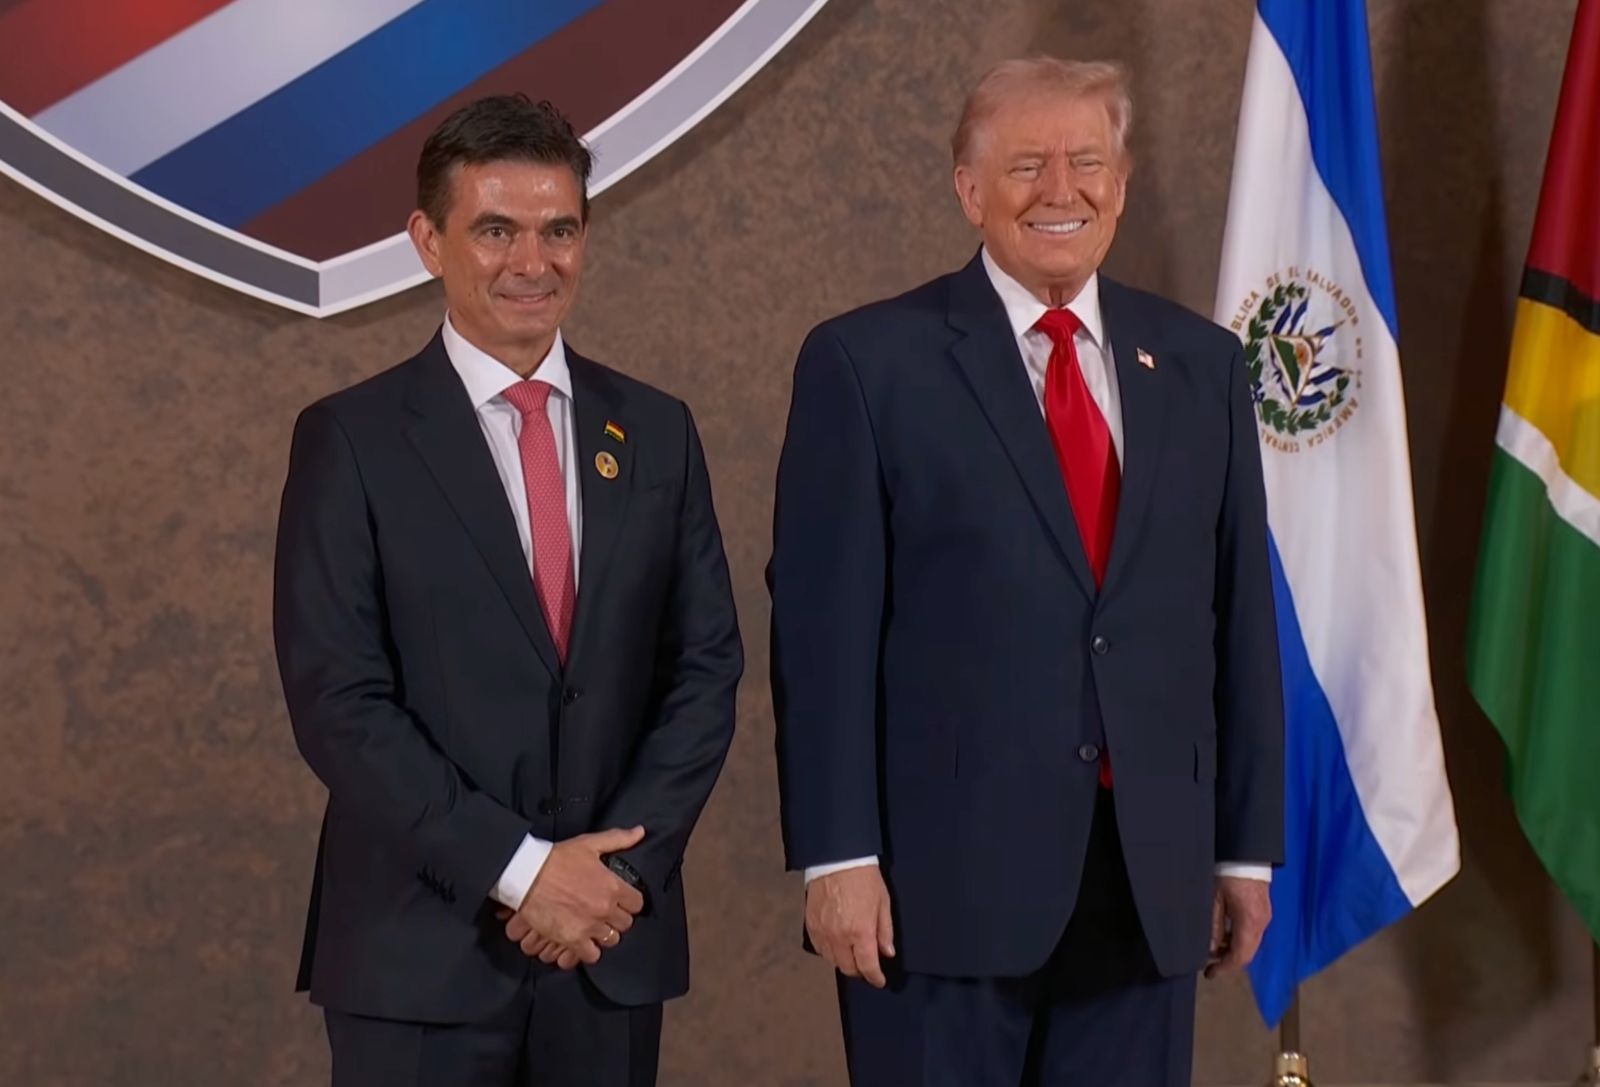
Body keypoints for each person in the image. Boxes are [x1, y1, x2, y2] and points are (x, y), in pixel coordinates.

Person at [769, 58, 1284, 1086]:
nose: (1061, 190)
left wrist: (1243, 850)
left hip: (1148, 879)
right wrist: (837, 857)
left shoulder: (1201, 364)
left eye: (1087, 161)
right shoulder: (868, 363)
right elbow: (821, 641)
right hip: (936, 890)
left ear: (1121, 185)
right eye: (1025, 166)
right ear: (969, 190)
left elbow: (1238, 621)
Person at [273, 94, 742, 1087]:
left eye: (558, 230)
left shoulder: (656, 431)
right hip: (419, 956)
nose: (532, 261)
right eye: (495, 230)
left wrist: (611, 877)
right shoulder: (351, 440)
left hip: (607, 944)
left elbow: (704, 671)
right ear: (427, 242)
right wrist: (522, 870)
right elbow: (339, 700)